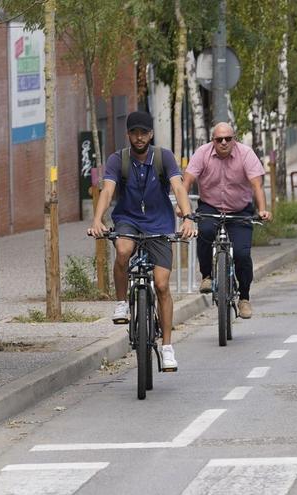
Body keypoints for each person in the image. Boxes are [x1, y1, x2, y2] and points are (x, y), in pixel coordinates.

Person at [88, 111, 196, 372]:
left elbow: (178, 187)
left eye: (143, 132)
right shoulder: (118, 160)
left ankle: (168, 347)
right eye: (134, 132)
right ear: (128, 134)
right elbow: (108, 190)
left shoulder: (163, 157)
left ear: (150, 134)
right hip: (128, 220)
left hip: (159, 223)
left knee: (161, 285)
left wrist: (188, 218)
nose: (139, 137)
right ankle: (122, 302)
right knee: (123, 249)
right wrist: (97, 220)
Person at [183, 122, 271, 319]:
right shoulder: (202, 153)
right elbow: (186, 181)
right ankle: (206, 275)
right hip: (210, 206)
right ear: (212, 140)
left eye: (228, 139)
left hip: (239, 209)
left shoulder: (246, 154)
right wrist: (183, 209)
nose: (223, 142)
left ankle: (245, 298)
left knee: (241, 253)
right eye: (218, 139)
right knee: (205, 232)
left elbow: (257, 185)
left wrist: (263, 210)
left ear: (235, 139)